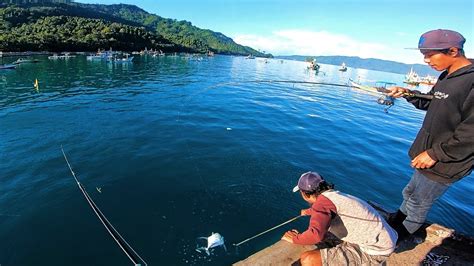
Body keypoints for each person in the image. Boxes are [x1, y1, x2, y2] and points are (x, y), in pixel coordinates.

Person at [386, 29, 473, 241]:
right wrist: (407, 93)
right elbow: (434, 102)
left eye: (430, 54)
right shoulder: (446, 75)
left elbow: (471, 132)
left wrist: (435, 154)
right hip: (427, 153)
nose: (426, 60)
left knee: (419, 202)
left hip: (446, 160)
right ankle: (395, 223)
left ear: (453, 51)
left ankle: (398, 239)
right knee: (410, 192)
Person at [281, 172, 397, 266]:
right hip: (384, 237)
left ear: (304, 194)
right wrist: (309, 211)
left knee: (307, 260)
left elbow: (315, 235)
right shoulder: (335, 195)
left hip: (376, 250)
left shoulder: (321, 205)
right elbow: (333, 208)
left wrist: (295, 239)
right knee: (329, 233)